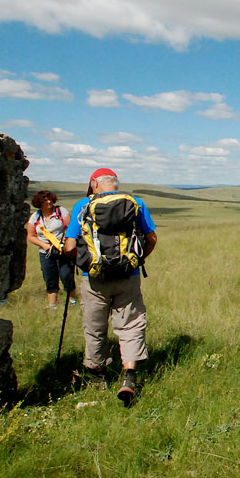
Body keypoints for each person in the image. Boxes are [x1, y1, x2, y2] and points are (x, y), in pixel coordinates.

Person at [64, 168, 157, 405]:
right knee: (131, 324)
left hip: (94, 278)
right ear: (115, 184)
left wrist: (83, 263)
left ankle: (99, 377)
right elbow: (152, 238)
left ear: (94, 184)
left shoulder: (82, 205)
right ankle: (130, 375)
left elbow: (69, 246)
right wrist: (137, 260)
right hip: (129, 275)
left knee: (95, 326)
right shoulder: (136, 203)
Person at [26, 190, 76, 308]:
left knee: (66, 275)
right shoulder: (35, 217)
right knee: (49, 276)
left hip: (62, 251)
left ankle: (72, 301)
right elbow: (31, 235)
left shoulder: (61, 212)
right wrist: (44, 245)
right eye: (45, 199)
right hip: (45, 253)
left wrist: (64, 241)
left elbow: (71, 228)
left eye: (50, 199)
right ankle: (52, 303)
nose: (48, 202)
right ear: (39, 202)